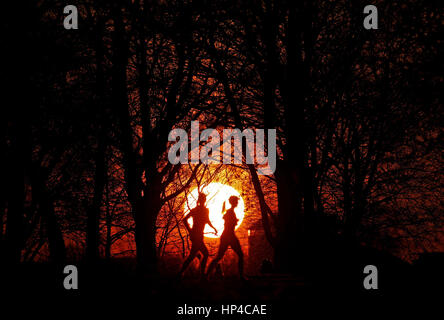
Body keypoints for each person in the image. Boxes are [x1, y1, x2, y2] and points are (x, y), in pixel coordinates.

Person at [178, 192, 218, 277]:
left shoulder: (205, 210)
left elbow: (207, 220)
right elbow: (184, 220)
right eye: (202, 199)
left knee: (192, 255)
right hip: (196, 235)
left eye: (204, 199)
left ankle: (181, 273)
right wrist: (190, 230)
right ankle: (202, 274)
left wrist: (213, 228)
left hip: (199, 235)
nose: (203, 200)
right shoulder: (195, 210)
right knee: (205, 254)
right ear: (200, 200)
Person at [206, 195, 244, 279]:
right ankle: (241, 276)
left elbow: (227, 220)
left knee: (220, 256)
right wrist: (235, 221)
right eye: (236, 201)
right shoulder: (230, 212)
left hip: (228, 235)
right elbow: (229, 223)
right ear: (233, 202)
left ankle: (206, 275)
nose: (237, 203)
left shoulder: (230, 212)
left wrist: (235, 221)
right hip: (229, 235)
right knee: (239, 255)